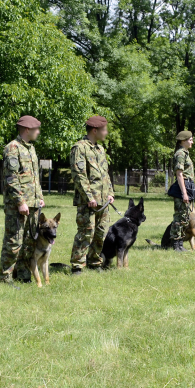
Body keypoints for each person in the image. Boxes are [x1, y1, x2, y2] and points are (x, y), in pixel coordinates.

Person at [0, 115, 45, 284]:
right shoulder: (13, 148)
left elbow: (34, 177)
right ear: (27, 130)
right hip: (17, 204)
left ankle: (23, 274)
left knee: (29, 241)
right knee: (14, 241)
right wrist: (20, 202)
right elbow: (11, 178)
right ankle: (6, 276)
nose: (38, 132)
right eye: (36, 129)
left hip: (33, 203)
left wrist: (39, 197)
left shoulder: (30, 148)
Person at [70, 115, 114, 274]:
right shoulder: (79, 148)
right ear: (95, 130)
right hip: (88, 201)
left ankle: (94, 262)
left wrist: (110, 193)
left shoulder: (100, 149)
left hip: (103, 201)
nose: (106, 133)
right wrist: (89, 197)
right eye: (104, 130)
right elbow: (78, 175)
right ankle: (77, 266)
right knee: (86, 233)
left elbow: (105, 174)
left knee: (101, 232)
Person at [169, 131, 195, 252]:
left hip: (187, 186)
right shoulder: (180, 153)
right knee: (179, 217)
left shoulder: (185, 153)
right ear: (183, 141)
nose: (192, 142)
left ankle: (179, 244)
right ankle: (176, 244)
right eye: (190, 140)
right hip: (182, 188)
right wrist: (184, 193)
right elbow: (179, 174)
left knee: (184, 216)